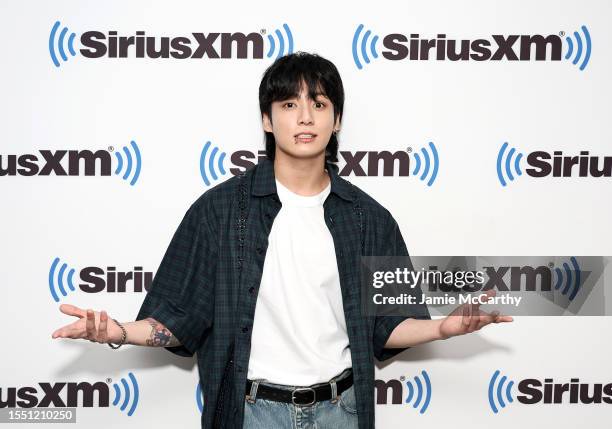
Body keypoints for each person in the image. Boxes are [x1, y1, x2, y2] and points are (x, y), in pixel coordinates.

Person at [51, 51, 513, 429]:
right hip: (250, 413)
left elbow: (386, 325)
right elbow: (178, 317)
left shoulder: (368, 218)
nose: (305, 116)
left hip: (342, 411)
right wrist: (118, 333)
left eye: (319, 103)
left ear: (336, 121)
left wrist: (443, 328)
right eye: (289, 104)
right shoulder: (220, 211)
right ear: (268, 121)